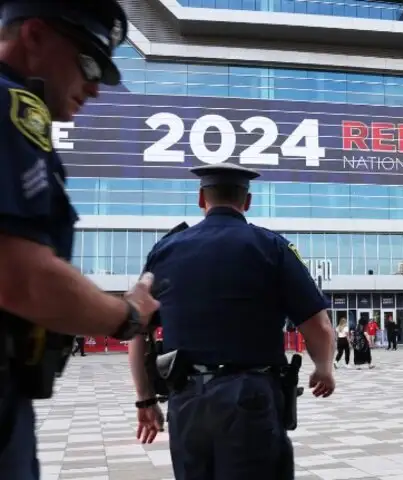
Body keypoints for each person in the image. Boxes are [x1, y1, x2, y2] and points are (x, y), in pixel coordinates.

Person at [0, 2, 161, 478]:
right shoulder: (10, 111)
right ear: (34, 36)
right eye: (88, 63)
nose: (95, 87)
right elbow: (20, 279)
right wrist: (127, 313)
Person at [126, 163, 336, 480]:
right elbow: (318, 326)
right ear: (247, 201)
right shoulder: (271, 247)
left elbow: (136, 329)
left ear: (201, 199)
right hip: (249, 400)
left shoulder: (165, 251)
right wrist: (324, 368)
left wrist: (144, 400)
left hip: (187, 403)